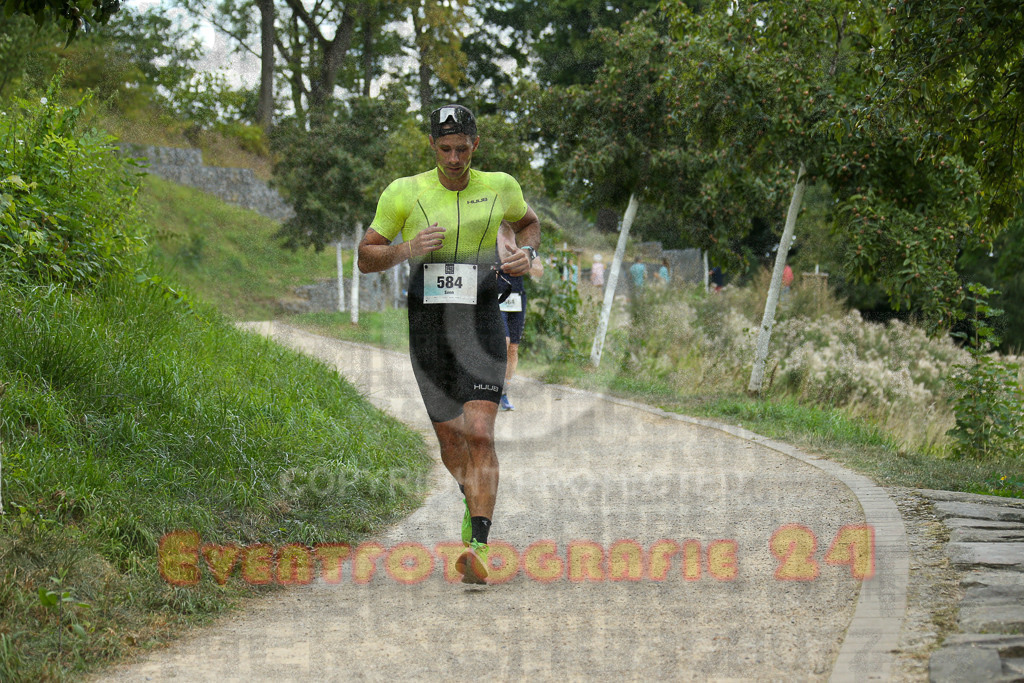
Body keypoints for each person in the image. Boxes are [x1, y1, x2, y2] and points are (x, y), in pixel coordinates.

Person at [358, 104, 540, 584]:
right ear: (433, 147)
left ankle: (479, 543)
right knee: (451, 439)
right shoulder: (404, 192)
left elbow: (528, 224)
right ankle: (470, 497)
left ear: (475, 145)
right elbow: (365, 256)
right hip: (429, 328)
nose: (455, 158)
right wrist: (406, 249)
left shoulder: (500, 185)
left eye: (463, 148)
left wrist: (526, 253)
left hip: (482, 319)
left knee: (480, 432)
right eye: (445, 149)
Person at [497, 222, 544, 412]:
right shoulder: (490, 238)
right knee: (504, 340)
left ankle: (503, 392)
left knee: (513, 348)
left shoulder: (525, 245)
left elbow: (539, 271)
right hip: (496, 296)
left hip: (517, 298)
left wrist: (523, 258)